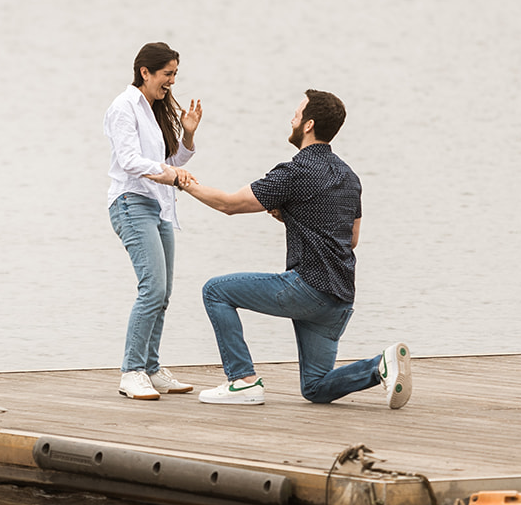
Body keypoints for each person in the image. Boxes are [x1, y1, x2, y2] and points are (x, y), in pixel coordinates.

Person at [175, 89, 411, 408]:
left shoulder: (295, 172)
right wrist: (291, 215)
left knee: (216, 291)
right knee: (314, 388)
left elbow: (229, 205)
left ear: (309, 124)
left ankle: (242, 381)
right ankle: (379, 366)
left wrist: (183, 182)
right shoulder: (350, 177)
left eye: (297, 114)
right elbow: (350, 239)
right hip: (339, 297)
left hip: (308, 288)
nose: (292, 118)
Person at [103, 42, 203, 400]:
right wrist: (170, 174)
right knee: (152, 288)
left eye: (175, 74)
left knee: (164, 293)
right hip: (131, 204)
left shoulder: (154, 108)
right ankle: (131, 372)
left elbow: (172, 159)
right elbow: (130, 161)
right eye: (167, 74)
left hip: (158, 207)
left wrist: (187, 133)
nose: (172, 82)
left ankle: (151, 367)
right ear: (145, 72)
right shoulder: (124, 106)